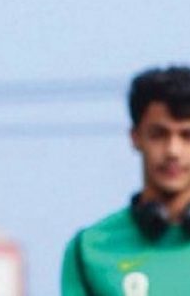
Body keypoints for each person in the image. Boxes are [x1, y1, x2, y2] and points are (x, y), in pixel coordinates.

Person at [61, 66, 190, 295]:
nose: (173, 151)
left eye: (187, 136)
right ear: (135, 137)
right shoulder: (89, 250)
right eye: (158, 134)